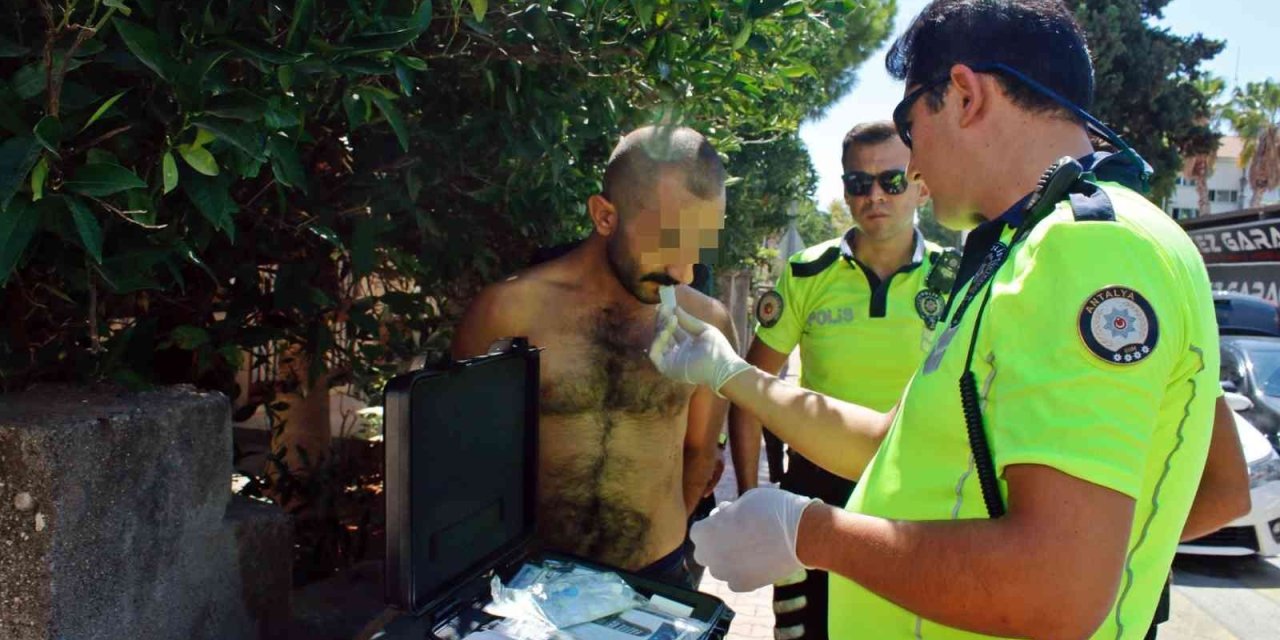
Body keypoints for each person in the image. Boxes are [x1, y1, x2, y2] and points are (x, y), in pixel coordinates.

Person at [649, 1, 1223, 637]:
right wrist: (731, 373)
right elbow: (894, 445)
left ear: (965, 94)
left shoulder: (1084, 249)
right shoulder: (1038, 247)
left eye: (909, 122)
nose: (913, 165)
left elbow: (1053, 591)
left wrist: (810, 535)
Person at [452, 125, 734, 589]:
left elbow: (701, 450)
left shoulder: (706, 324)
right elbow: (464, 463)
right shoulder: (507, 313)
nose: (684, 272)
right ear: (605, 216)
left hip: (658, 579)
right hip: (531, 587)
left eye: (698, 248)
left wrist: (666, 546)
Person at [727, 120, 956, 640]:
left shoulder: (957, 278)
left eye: (892, 181)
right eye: (859, 183)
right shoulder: (808, 272)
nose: (875, 195)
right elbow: (747, 388)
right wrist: (749, 500)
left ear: (921, 183)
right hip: (814, 498)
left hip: (916, 498)